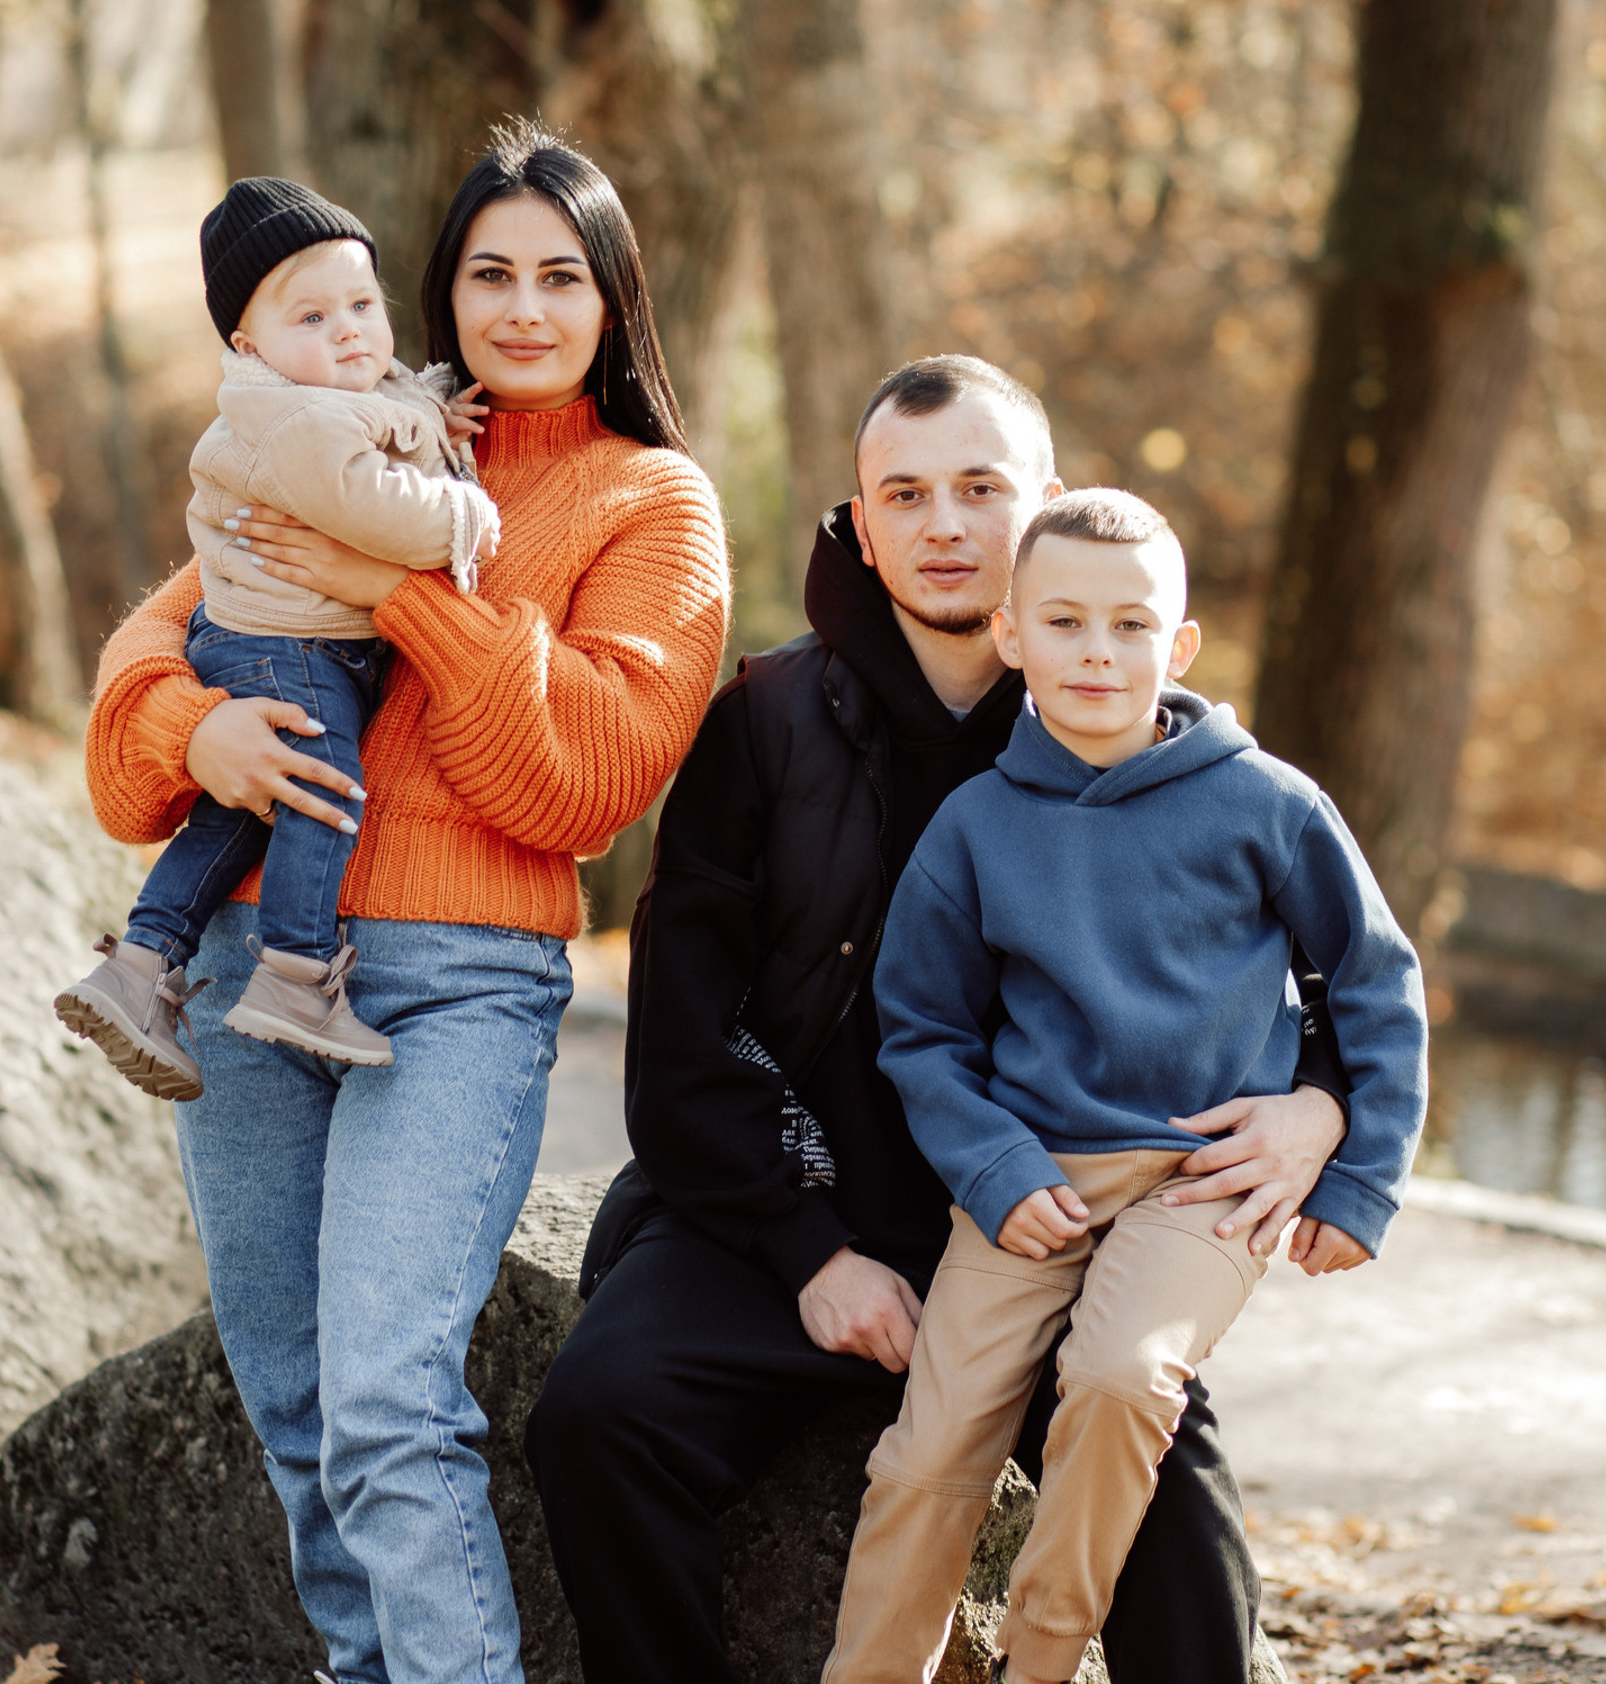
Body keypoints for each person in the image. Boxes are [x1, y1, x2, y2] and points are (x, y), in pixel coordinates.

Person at [525, 355, 1357, 1684]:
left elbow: (1329, 968)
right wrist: (811, 1252)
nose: (947, 526)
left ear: (1050, 506)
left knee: (1170, 1499)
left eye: (982, 488)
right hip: (788, 1224)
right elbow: (682, 1041)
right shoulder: (763, 725)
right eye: (904, 494)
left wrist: (1320, 1105)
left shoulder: (1133, 725)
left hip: (1050, 1229)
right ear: (860, 523)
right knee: (596, 1419)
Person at [82, 123, 730, 1684]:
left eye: (560, 277)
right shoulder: (342, 431)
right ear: (441, 290)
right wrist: (200, 732)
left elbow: (578, 775)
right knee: (297, 1409)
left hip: (456, 984)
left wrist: (395, 593)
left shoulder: (651, 501)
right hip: (246, 977)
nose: (520, 307)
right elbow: (125, 735)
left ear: (612, 297)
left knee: (386, 1397)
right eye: (488, 273)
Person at [820, 487, 1426, 1684]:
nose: (1099, 652)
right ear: (1012, 634)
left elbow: (1376, 984)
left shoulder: (1270, 804)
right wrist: (995, 1167)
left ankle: (1037, 1664)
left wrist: (1358, 1182)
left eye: (1132, 625)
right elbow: (922, 1031)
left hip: (1206, 1178)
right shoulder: (975, 826)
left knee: (1118, 1378)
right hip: (1033, 1181)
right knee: (925, 1457)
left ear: (1179, 643)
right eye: (1065, 623)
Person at [57, 177, 499, 1086]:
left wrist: (425, 416)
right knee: (324, 792)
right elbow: (375, 507)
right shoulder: (288, 420)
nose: (348, 330)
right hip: (293, 652)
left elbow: (374, 413)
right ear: (247, 343)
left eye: (362, 304)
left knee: (240, 814)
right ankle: (296, 972)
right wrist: (465, 514)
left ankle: (140, 966)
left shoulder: (313, 395)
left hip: (263, 644)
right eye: (312, 317)